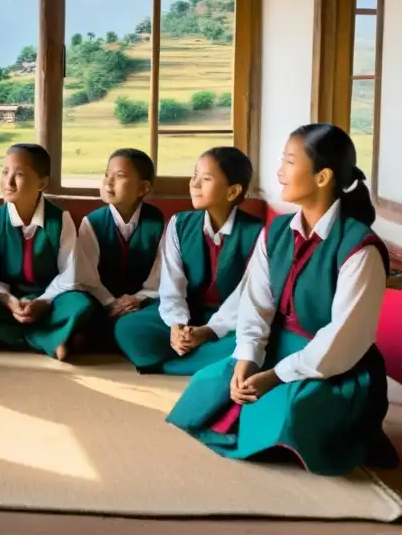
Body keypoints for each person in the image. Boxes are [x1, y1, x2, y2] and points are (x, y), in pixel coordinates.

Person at [167, 124, 399, 475]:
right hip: (278, 348)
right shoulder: (275, 232)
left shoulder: (358, 248)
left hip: (333, 366)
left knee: (286, 408)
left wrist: (276, 375)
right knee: (210, 383)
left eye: (289, 162)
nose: (279, 172)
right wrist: (248, 357)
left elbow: (343, 342)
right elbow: (256, 304)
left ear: (322, 177)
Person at [114, 147, 262, 375]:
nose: (194, 184)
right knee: (129, 328)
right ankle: (200, 358)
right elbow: (171, 284)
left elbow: (246, 295)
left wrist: (209, 330)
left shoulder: (257, 233)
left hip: (231, 319)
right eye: (195, 176)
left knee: (253, 340)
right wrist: (177, 325)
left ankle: (175, 364)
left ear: (232, 191)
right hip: (189, 311)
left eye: (206, 179)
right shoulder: (180, 224)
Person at [0, 144, 94, 360]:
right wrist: (9, 302)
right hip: (7, 302)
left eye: (18, 174)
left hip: (49, 301)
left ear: (42, 183)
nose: (8, 182)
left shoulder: (60, 219)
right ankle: (48, 340)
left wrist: (43, 302)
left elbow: (69, 274)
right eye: (4, 172)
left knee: (81, 304)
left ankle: (2, 337)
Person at [75, 149, 163, 350]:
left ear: (143, 188)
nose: (108, 182)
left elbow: (160, 274)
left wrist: (138, 298)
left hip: (142, 302)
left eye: (120, 176)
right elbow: (86, 275)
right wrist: (110, 302)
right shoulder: (93, 221)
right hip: (99, 301)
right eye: (107, 174)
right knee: (76, 304)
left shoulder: (159, 222)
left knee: (168, 308)